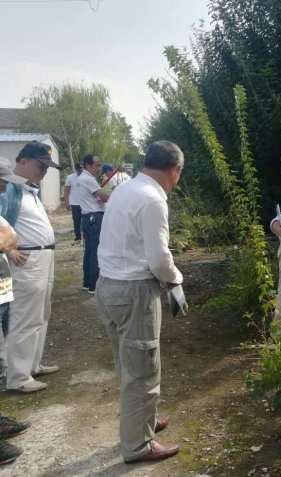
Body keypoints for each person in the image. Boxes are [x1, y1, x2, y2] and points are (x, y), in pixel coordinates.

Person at [96, 141, 184, 464]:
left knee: (128, 362)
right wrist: (175, 280)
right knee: (143, 370)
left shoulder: (125, 189)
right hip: (134, 291)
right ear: (175, 170)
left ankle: (143, 419)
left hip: (108, 286)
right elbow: (159, 260)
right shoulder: (152, 200)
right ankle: (138, 445)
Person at [0, 142, 60, 393]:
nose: (44, 172)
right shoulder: (7, 190)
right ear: (23, 161)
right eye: (40, 166)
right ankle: (18, 376)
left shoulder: (28, 190)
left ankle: (32, 364)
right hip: (27, 260)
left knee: (41, 314)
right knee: (24, 317)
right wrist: (9, 250)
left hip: (43, 257)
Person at [0, 159, 32, 465]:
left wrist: (5, 241)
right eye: (1, 181)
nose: (4, 188)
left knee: (1, 343)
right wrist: (4, 240)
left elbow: (10, 236)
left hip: (1, 282)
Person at [75, 155, 109, 294]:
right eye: (97, 165)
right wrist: (118, 193)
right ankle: (94, 284)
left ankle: (87, 282)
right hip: (95, 217)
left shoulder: (81, 178)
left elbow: (95, 197)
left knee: (89, 250)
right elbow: (104, 197)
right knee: (95, 251)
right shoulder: (88, 179)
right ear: (88, 165)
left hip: (87, 217)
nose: (99, 168)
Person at [63, 164, 82, 242]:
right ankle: (78, 237)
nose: (80, 170)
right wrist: (66, 202)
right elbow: (66, 191)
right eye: (79, 169)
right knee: (76, 221)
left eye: (82, 169)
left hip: (85, 203)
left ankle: (86, 237)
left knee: (86, 221)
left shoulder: (87, 177)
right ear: (76, 169)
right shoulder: (70, 177)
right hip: (75, 203)